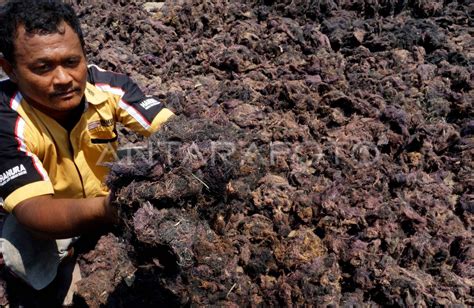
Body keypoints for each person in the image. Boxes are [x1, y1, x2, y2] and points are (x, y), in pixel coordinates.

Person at [0, 0, 174, 303]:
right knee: (22, 257)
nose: (64, 79)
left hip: (104, 197)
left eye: (71, 61)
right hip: (49, 214)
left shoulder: (108, 87)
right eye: (43, 67)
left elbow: (173, 130)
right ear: (10, 70)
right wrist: (111, 209)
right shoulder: (5, 117)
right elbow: (34, 209)